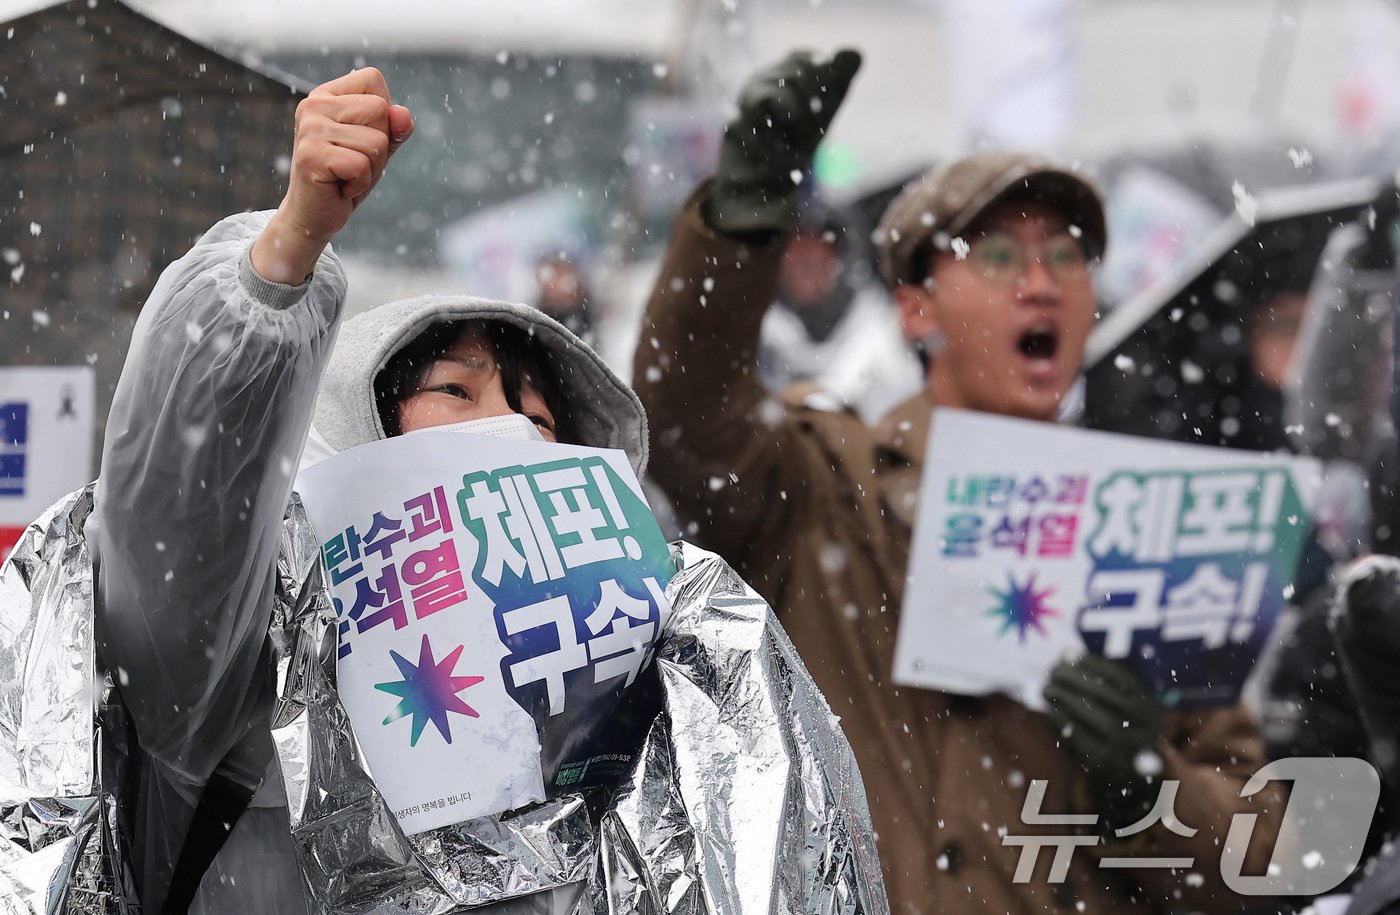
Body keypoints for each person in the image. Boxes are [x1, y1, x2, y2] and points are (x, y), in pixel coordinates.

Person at [2, 67, 885, 914]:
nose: (507, 427)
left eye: (539, 416)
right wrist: (282, 260)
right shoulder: (240, 658)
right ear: (350, 425)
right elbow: (183, 509)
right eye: (456, 391)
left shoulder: (630, 715)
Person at [633, 49, 1283, 914]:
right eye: (1001, 255)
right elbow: (684, 415)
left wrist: (1148, 786)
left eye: (1067, 256)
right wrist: (738, 223)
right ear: (916, 307)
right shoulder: (827, 482)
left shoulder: (1156, 530)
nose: (1042, 284)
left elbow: (1258, 857)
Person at [757, 195, 921, 421]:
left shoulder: (889, 342)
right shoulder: (757, 343)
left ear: (838, 254)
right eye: (793, 245)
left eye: (815, 244)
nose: (804, 257)